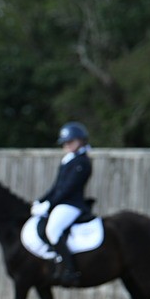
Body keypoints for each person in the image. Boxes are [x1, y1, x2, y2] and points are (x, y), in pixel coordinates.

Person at [31, 121, 92, 284]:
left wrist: (49, 205)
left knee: (53, 229)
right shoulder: (68, 160)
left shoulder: (82, 162)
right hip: (61, 202)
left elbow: (68, 189)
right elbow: (56, 187)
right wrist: (41, 200)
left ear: (80, 141)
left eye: (70, 141)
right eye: (65, 142)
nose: (67, 145)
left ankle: (69, 270)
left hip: (72, 204)